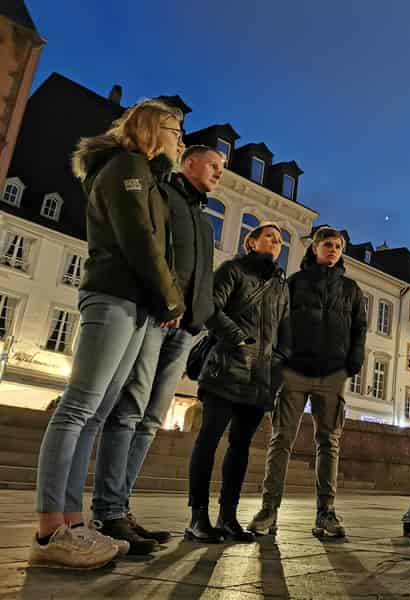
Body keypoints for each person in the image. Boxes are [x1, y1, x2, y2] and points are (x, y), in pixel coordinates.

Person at [30, 99, 186, 569]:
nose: (180, 139)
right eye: (175, 130)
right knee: (78, 407)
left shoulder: (147, 175)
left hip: (136, 303)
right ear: (150, 128)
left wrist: (160, 297)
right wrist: (170, 296)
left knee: (95, 414)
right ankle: (49, 530)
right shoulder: (126, 166)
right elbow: (137, 236)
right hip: (115, 295)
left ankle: (75, 524)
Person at [83, 145, 221, 553]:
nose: (219, 173)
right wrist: (165, 300)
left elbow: (201, 274)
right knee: (128, 410)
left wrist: (199, 315)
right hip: (158, 314)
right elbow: (150, 250)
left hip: (185, 326)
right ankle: (107, 511)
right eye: (214, 165)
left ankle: (120, 509)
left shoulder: (202, 218)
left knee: (150, 419)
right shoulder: (163, 194)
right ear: (189, 162)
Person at [248, 227, 366, 538]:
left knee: (329, 443)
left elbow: (360, 329)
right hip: (295, 371)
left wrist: (353, 362)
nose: (334, 249)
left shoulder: (351, 290)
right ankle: (268, 509)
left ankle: (326, 513)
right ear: (314, 248)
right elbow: (278, 322)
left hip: (333, 374)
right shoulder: (294, 284)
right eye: (328, 244)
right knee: (281, 440)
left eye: (338, 246)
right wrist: (280, 360)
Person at [185, 223, 290, 543]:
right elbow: (210, 308)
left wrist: (278, 364)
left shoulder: (280, 285)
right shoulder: (232, 270)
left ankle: (227, 516)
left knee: (241, 447)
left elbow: (285, 330)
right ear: (251, 241)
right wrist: (238, 338)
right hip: (226, 368)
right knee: (209, 439)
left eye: (280, 240)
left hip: (259, 377)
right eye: (269, 237)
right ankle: (198, 516)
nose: (275, 243)